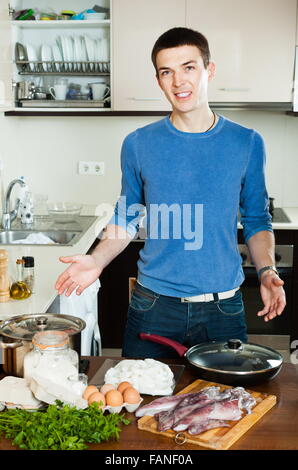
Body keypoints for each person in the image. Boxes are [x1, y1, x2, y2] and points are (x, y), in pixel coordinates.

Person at [55, 27, 286, 358]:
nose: (179, 82)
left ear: (210, 70)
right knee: (140, 405)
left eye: (189, 67)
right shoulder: (138, 144)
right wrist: (97, 259)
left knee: (225, 405)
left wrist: (266, 271)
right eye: (167, 72)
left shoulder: (247, 142)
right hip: (153, 307)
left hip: (223, 309)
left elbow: (256, 219)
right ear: (158, 80)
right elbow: (127, 214)